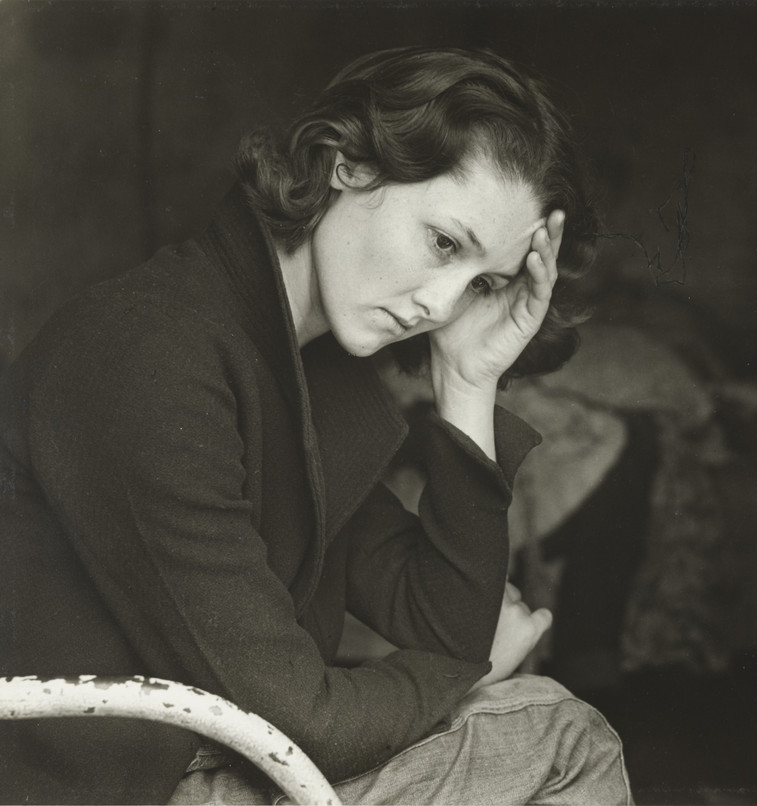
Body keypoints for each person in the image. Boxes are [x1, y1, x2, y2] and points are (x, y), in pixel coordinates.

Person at [0, 46, 632, 804]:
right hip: (112, 787)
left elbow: (438, 620)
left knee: (543, 724)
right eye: (443, 244)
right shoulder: (150, 354)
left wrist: (468, 380)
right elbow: (307, 718)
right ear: (349, 164)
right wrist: (476, 672)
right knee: (560, 739)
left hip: (210, 758)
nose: (442, 305)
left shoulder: (304, 369)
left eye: (483, 284)